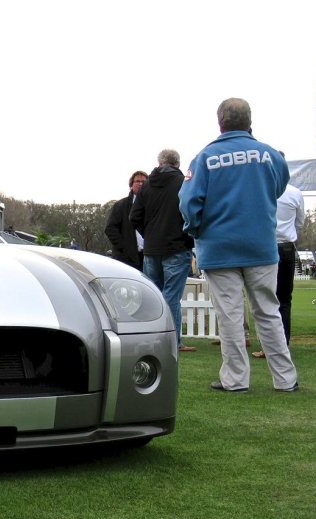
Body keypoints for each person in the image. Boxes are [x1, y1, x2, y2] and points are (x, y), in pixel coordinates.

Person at [179, 97, 298, 393]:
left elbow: (188, 201)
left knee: (230, 316)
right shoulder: (270, 155)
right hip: (261, 245)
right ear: (250, 122)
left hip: (218, 248)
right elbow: (280, 186)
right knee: (268, 312)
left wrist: (195, 229)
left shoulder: (205, 158)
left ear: (220, 122)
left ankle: (235, 380)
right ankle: (285, 379)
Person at [130, 149, 196, 352]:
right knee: (171, 297)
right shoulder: (184, 183)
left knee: (154, 297)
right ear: (177, 163)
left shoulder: (146, 186)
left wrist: (149, 234)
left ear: (159, 163)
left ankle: (152, 339)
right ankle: (172, 342)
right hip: (177, 247)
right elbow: (192, 210)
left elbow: (135, 217)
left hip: (152, 249)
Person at [252, 170, 304, 358]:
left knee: (265, 299)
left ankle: (267, 346)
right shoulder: (295, 193)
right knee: (284, 300)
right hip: (287, 247)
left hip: (265, 247)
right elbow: (300, 223)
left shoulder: (259, 191)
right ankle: (283, 345)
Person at [105, 171, 147, 271]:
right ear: (131, 185)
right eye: (137, 181)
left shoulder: (153, 205)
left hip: (147, 257)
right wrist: (125, 248)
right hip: (126, 259)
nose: (140, 184)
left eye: (144, 181)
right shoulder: (121, 205)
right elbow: (110, 229)